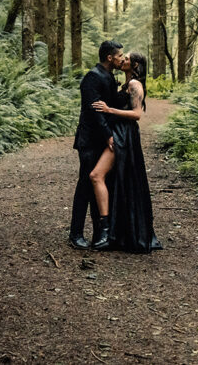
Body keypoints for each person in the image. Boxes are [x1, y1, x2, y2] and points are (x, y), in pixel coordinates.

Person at [89, 52, 162, 253]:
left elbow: (137, 114)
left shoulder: (135, 85)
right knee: (119, 180)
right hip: (119, 132)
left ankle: (106, 233)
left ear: (135, 64)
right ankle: (116, 232)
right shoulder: (125, 83)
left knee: (96, 175)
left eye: (127, 58)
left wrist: (108, 110)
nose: (123, 60)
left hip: (125, 134)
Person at [69, 40, 124, 250]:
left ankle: (99, 233)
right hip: (89, 141)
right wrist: (109, 134)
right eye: (119, 55)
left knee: (98, 184)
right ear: (110, 57)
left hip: (101, 141)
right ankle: (75, 234)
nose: (122, 58)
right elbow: (94, 111)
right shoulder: (92, 77)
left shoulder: (109, 76)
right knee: (85, 184)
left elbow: (111, 105)